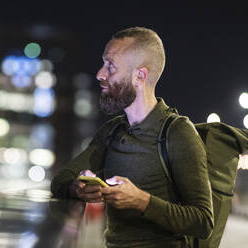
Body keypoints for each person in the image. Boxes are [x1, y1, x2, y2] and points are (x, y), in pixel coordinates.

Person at [51, 27, 214, 248]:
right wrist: (77, 187)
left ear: (140, 75)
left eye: (110, 66)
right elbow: (61, 179)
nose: (100, 73)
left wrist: (142, 201)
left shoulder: (177, 132)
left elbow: (203, 221)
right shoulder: (112, 131)